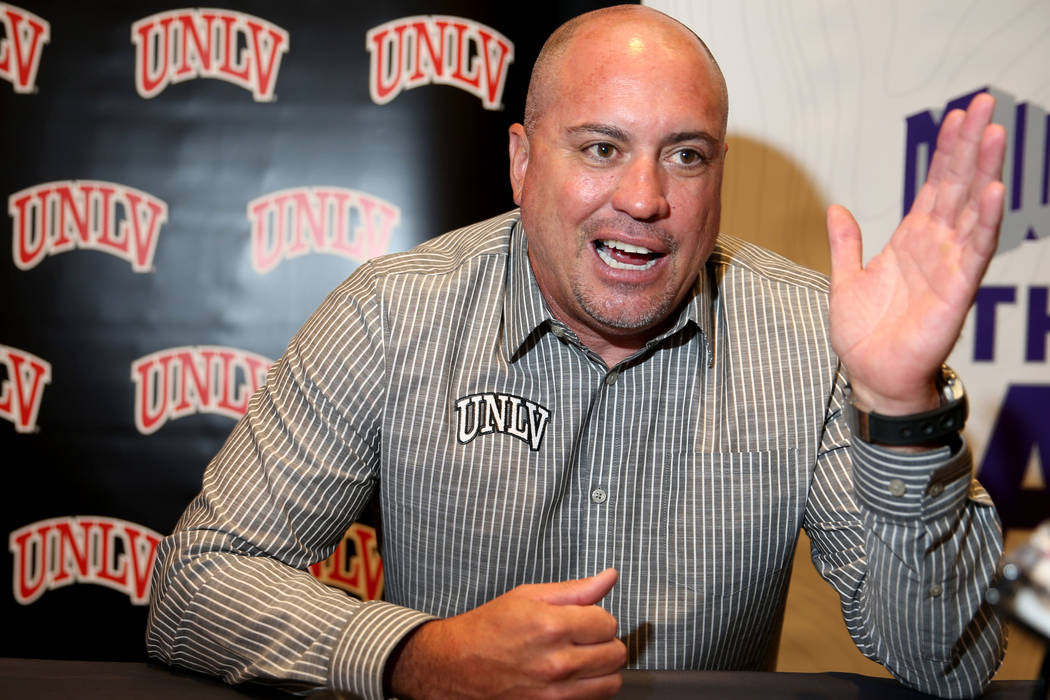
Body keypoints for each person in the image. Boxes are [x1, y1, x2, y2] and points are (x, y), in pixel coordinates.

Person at [147, 6, 1007, 699]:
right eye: (602, 148)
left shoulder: (816, 340)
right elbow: (197, 585)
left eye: (686, 155)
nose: (644, 197)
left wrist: (901, 406)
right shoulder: (392, 313)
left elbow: (951, 662)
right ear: (523, 161)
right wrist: (418, 657)